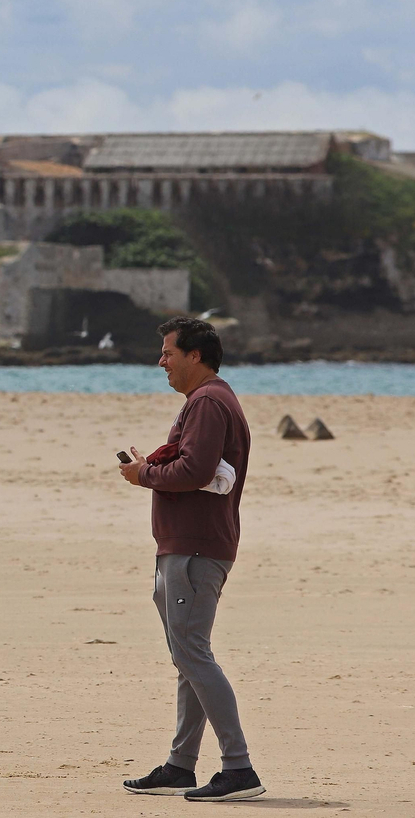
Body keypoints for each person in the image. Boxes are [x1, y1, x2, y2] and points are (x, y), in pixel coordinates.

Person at [119, 317, 266, 802]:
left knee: (193, 655)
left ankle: (239, 768)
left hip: (196, 548)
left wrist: (144, 475)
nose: (161, 361)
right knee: (188, 657)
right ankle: (181, 766)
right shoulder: (209, 399)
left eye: (168, 352)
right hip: (188, 545)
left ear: (194, 355)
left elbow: (197, 470)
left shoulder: (207, 401)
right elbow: (195, 467)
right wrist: (152, 467)